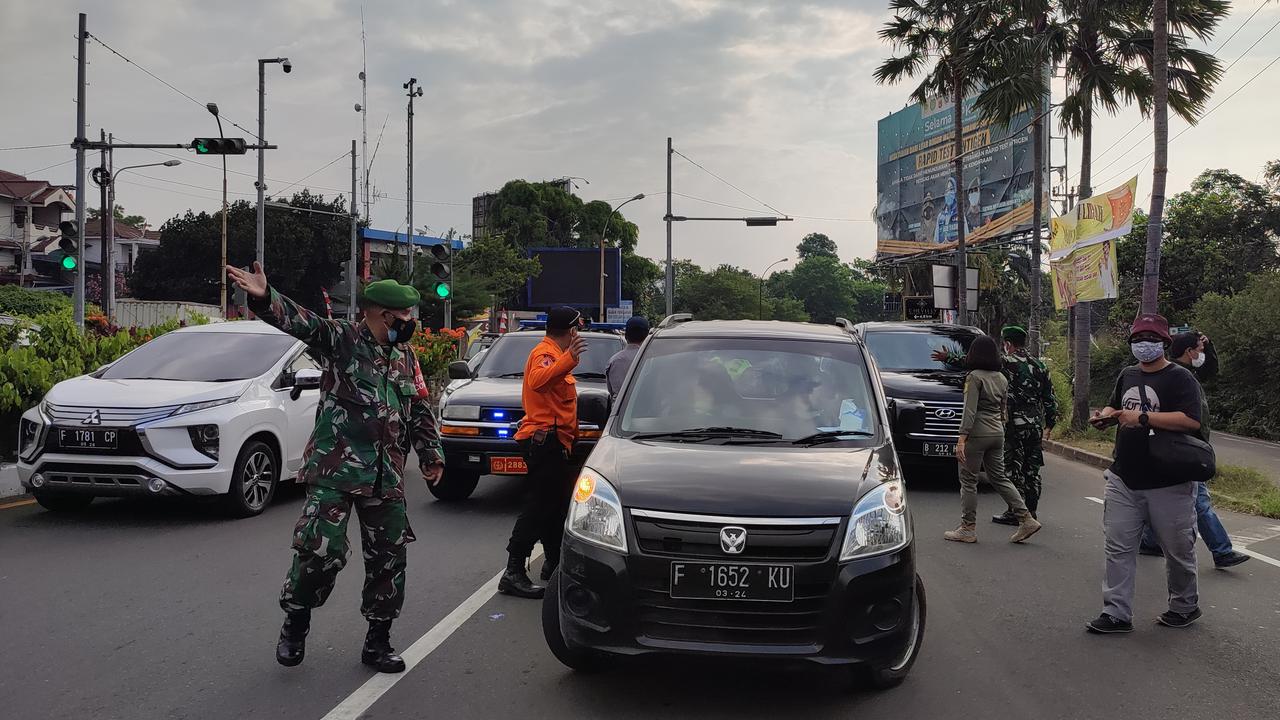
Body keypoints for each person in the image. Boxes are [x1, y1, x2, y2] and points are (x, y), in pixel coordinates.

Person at [226, 264, 445, 674]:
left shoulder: (405, 355)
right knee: (320, 551)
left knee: (389, 559)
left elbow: (417, 406)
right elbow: (301, 323)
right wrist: (264, 297)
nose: (411, 322)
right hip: (335, 470)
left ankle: (378, 641)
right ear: (383, 315)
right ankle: (296, 622)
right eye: (406, 315)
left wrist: (431, 452)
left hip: (386, 474)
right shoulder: (343, 340)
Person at [1086, 314, 1203, 634]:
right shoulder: (1127, 374)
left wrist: (1143, 418)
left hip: (1169, 480)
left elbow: (1192, 421)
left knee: (1178, 550)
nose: (1144, 344)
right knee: (1118, 547)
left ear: (1164, 342)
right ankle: (1116, 613)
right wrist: (1106, 416)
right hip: (1124, 476)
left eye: (1151, 338)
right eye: (1138, 339)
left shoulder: (1180, 378)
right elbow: (1115, 405)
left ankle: (1184, 605)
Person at [1138, 332, 1249, 569]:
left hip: (1185, 446)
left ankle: (1150, 541)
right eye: (1199, 349)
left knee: (1165, 496)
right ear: (1189, 352)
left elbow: (1211, 371)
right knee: (1199, 501)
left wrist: (1210, 346)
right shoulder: (1175, 376)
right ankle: (1222, 550)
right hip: (1182, 447)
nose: (1201, 354)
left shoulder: (1187, 373)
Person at [499, 306, 588, 599]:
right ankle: (513, 571)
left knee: (556, 507)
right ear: (572, 330)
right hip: (544, 441)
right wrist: (568, 358)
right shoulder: (545, 353)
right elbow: (538, 380)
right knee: (539, 506)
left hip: (556, 441)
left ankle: (554, 563)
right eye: (578, 328)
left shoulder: (554, 354)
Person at [933, 326, 1058, 522]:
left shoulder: (1005, 363)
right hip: (1034, 425)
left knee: (1012, 468)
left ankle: (1016, 512)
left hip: (1012, 425)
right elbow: (1049, 399)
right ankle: (1031, 511)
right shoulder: (1040, 366)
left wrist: (948, 357)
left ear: (1008, 344)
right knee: (1032, 469)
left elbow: (975, 362)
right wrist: (1049, 424)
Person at [943, 336, 1043, 544]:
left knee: (968, 480)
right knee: (1000, 478)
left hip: (977, 433)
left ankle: (967, 528)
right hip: (997, 433)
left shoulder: (974, 377)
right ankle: (1026, 518)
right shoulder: (1001, 378)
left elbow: (969, 411)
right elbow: (1003, 410)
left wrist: (961, 439)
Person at [606, 316, 649, 398]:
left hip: (620, 406)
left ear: (626, 336)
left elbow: (612, 391)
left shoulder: (614, 361)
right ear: (647, 336)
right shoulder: (652, 360)